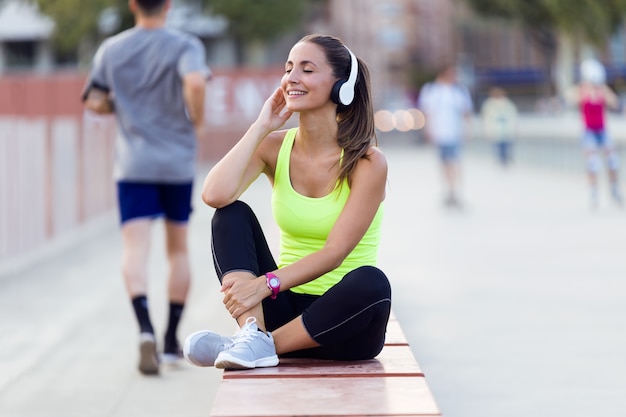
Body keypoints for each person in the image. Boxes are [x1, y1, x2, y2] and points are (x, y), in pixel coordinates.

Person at [182, 34, 392, 370]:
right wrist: (261, 126)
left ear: (341, 86)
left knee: (372, 282)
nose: (291, 78)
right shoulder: (275, 147)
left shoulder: (368, 162)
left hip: (344, 326)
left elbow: (334, 253)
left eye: (307, 70)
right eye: (288, 68)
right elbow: (214, 195)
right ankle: (253, 334)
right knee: (229, 214)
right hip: (284, 310)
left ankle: (256, 345)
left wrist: (265, 285)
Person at [81, 0, 210, 375]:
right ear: (168, 5)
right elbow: (196, 82)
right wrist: (197, 122)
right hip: (176, 162)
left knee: (134, 248)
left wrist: (121, 106)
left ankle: (144, 329)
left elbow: (93, 98)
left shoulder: (112, 48)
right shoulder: (186, 45)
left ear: (132, 4)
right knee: (177, 249)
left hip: (133, 163)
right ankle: (170, 342)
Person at [566, 58, 623, 209]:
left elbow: (615, 103)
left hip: (602, 130)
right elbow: (569, 99)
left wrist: (604, 94)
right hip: (588, 132)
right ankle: (593, 192)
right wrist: (583, 91)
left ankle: (614, 189)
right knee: (593, 163)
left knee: (612, 161)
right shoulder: (581, 90)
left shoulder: (603, 90)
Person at [418, 64, 473, 208]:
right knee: (444, 163)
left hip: (455, 132)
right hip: (440, 133)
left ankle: (454, 191)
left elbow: (466, 112)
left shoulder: (459, 91)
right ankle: (449, 191)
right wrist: (428, 131)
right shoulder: (432, 90)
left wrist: (467, 130)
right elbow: (427, 113)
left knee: (454, 162)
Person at [480, 86, 518, 168]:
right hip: (496, 130)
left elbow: (512, 116)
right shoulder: (489, 104)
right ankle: (501, 163)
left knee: (506, 148)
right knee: (498, 149)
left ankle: (505, 162)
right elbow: (487, 119)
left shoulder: (507, 104)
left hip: (506, 130)